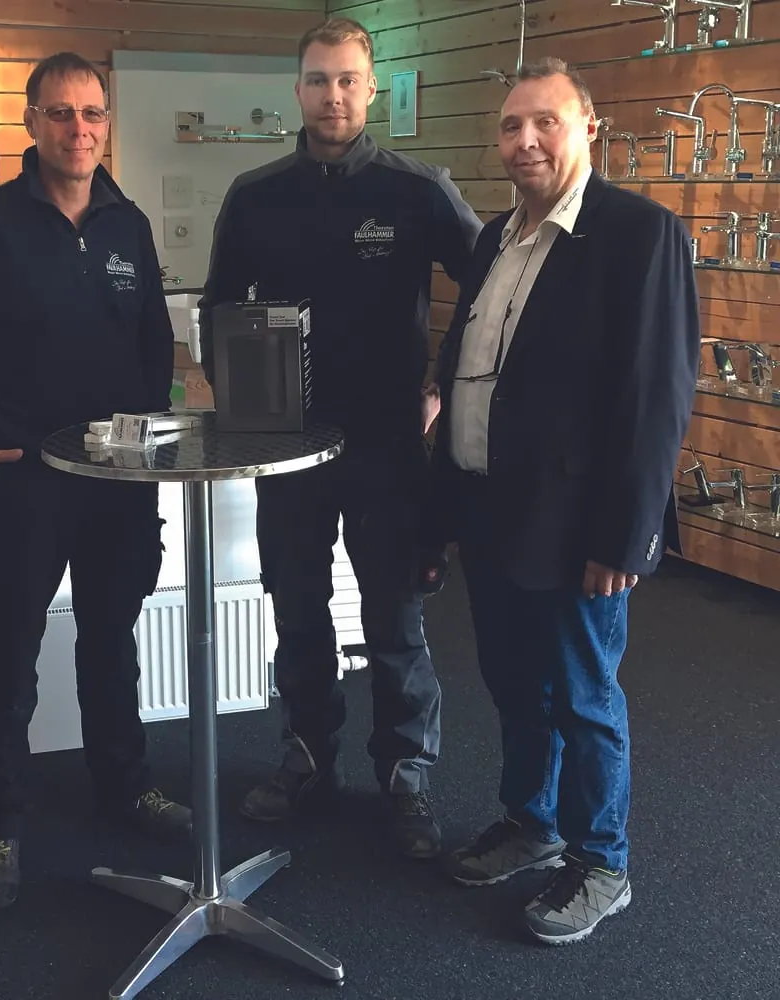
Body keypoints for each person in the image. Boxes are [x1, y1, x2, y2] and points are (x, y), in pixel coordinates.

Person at [0, 52, 191, 911]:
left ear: (106, 123)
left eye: (92, 113)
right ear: (30, 123)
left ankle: (124, 786)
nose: (78, 129)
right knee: (10, 653)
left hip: (118, 483)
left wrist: (147, 443)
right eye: (60, 113)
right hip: (25, 483)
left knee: (112, 642)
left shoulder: (128, 225)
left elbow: (154, 348)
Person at [427, 57, 700, 943]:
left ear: (588, 128)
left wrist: (628, 535)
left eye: (546, 121)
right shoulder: (494, 238)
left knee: (583, 694)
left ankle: (601, 861)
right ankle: (531, 823)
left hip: (580, 524)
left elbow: (657, 398)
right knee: (514, 684)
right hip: (490, 507)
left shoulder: (639, 234)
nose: (526, 140)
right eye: (512, 125)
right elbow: (468, 366)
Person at [199, 18, 482, 859]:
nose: (333, 95)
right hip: (285, 447)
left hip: (387, 447)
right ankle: (307, 756)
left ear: (371, 88)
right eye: (319, 80)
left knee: (395, 618)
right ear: (298, 90)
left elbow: (490, 288)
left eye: (348, 79)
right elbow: (217, 310)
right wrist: (239, 399)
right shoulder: (255, 194)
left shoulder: (417, 189)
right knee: (298, 611)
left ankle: (406, 774)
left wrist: (443, 383)